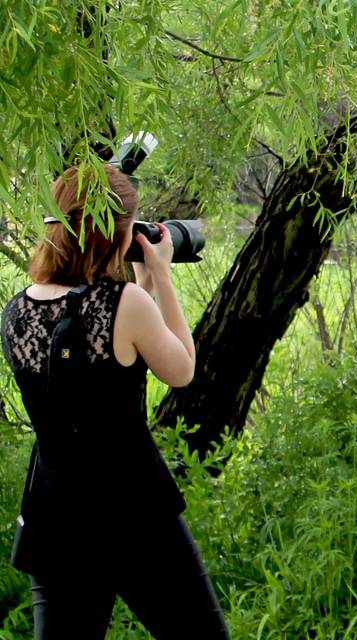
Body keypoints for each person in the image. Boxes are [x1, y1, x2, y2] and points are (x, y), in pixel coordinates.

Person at [0, 164, 230, 638]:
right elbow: (181, 368)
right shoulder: (125, 303)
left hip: (56, 514)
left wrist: (138, 287)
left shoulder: (17, 310)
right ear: (118, 232)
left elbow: (98, 355)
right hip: (134, 513)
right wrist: (161, 276)